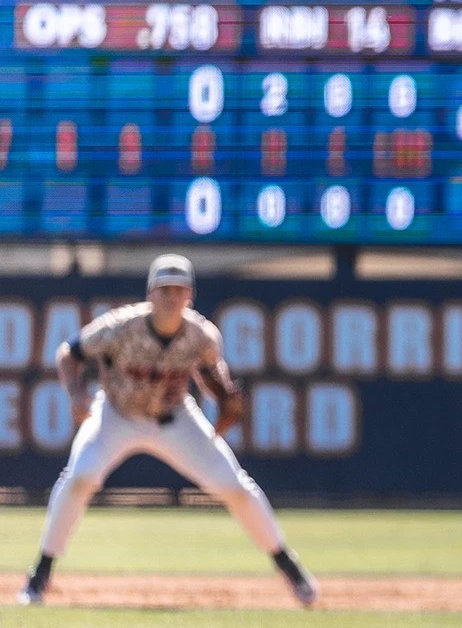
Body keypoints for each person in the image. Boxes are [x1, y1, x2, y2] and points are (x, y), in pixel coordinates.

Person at [18, 254, 319, 608]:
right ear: (151, 293)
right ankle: (41, 574)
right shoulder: (121, 326)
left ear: (189, 295)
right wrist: (75, 394)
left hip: (174, 418)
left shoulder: (202, 335)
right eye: (165, 289)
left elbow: (212, 381)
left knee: (234, 486)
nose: (172, 297)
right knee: (80, 476)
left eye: (179, 289)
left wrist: (225, 396)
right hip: (116, 415)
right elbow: (69, 353)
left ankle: (289, 566)